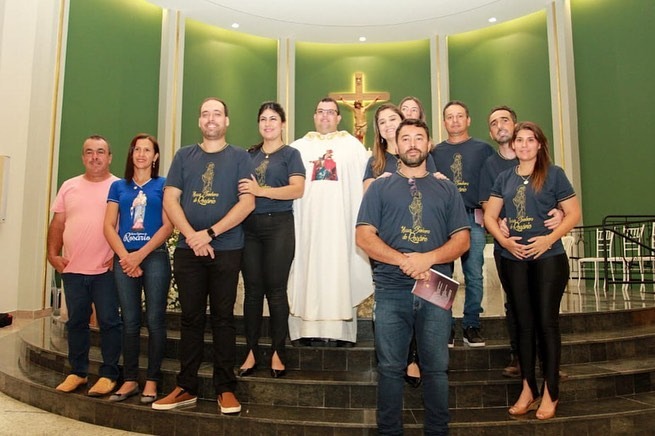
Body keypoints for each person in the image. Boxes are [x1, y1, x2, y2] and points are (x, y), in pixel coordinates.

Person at [356, 118, 470, 435]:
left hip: (437, 283)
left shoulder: (446, 188)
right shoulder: (380, 188)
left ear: (429, 144)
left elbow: (462, 240)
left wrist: (427, 259)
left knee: (437, 368)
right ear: (396, 146)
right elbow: (364, 236)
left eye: (419, 137)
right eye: (405, 138)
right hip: (392, 286)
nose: (412, 143)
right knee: (390, 368)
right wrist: (404, 261)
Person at [153, 97, 255, 414]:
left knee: (223, 320)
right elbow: (171, 200)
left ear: (227, 121)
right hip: (188, 251)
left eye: (217, 114)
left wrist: (209, 234)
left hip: (227, 248)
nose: (211, 118)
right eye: (205, 114)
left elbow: (248, 203)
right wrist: (191, 236)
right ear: (199, 121)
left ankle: (225, 388)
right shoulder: (184, 156)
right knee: (190, 319)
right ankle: (186, 387)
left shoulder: (240, 157)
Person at [483, 121, 580, 420]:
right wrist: (504, 242)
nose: (524, 145)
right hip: (514, 259)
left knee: (546, 324)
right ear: (513, 145)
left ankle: (551, 391)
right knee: (523, 325)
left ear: (539, 144)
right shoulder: (504, 177)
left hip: (548, 258)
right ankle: (528, 388)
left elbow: (573, 213)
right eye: (519, 140)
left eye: (530, 140)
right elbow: (489, 216)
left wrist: (549, 239)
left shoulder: (554, 174)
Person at [479, 106, 563, 377]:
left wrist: (559, 215)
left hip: (545, 251)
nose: (500, 126)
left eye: (504, 120)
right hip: (510, 249)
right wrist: (500, 227)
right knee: (517, 308)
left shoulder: (547, 168)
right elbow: (488, 206)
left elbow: (560, 202)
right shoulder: (492, 167)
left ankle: (549, 367)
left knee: (545, 313)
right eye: (494, 123)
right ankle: (521, 361)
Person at [287, 97, 373, 346]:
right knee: (306, 270)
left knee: (340, 271)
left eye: (331, 112)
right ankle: (305, 331)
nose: (325, 116)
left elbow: (365, 188)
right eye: (320, 111)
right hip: (307, 226)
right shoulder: (297, 148)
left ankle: (342, 333)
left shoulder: (353, 147)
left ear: (339, 117)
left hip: (341, 226)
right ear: (314, 116)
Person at [47, 135, 122, 397]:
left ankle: (109, 374)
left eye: (100, 151)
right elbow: (57, 224)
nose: (94, 157)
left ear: (109, 157)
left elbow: (127, 226)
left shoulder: (119, 187)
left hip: (106, 270)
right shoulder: (69, 186)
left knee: (110, 322)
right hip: (73, 269)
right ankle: (77, 372)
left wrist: (119, 256)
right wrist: (52, 255)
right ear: (83, 157)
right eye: (89, 152)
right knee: (76, 322)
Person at [237, 102, 305, 378]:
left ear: (283, 124)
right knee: (253, 292)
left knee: (276, 291)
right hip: (249, 228)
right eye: (263, 119)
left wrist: (261, 190)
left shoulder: (291, 154)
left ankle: (278, 351)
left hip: (279, 226)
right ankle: (251, 351)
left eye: (273, 119)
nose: (268, 124)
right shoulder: (248, 155)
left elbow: (297, 189)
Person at [103, 133, 173, 403]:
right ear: (131, 154)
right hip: (124, 257)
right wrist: (126, 257)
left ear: (155, 156)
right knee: (130, 321)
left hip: (154, 257)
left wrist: (140, 255)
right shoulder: (118, 187)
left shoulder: (163, 185)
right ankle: (130, 379)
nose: (141, 154)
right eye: (137, 149)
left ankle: (152, 380)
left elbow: (168, 225)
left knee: (155, 320)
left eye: (147, 150)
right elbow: (109, 226)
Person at [431, 100, 494, 348]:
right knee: (441, 274)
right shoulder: (435, 152)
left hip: (472, 217)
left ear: (468, 120)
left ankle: (471, 324)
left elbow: (493, 184)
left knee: (474, 274)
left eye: (459, 116)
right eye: (450, 116)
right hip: (443, 220)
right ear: (444, 122)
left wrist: (489, 213)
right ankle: (444, 326)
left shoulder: (483, 149)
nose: (455, 120)